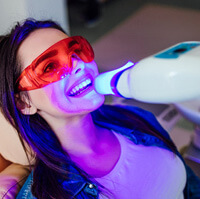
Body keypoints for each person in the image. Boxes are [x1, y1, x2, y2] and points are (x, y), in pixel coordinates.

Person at [0, 19, 199, 199]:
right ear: (24, 103)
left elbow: (189, 186)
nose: (77, 64)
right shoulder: (46, 195)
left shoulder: (135, 117)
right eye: (50, 67)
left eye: (76, 51)